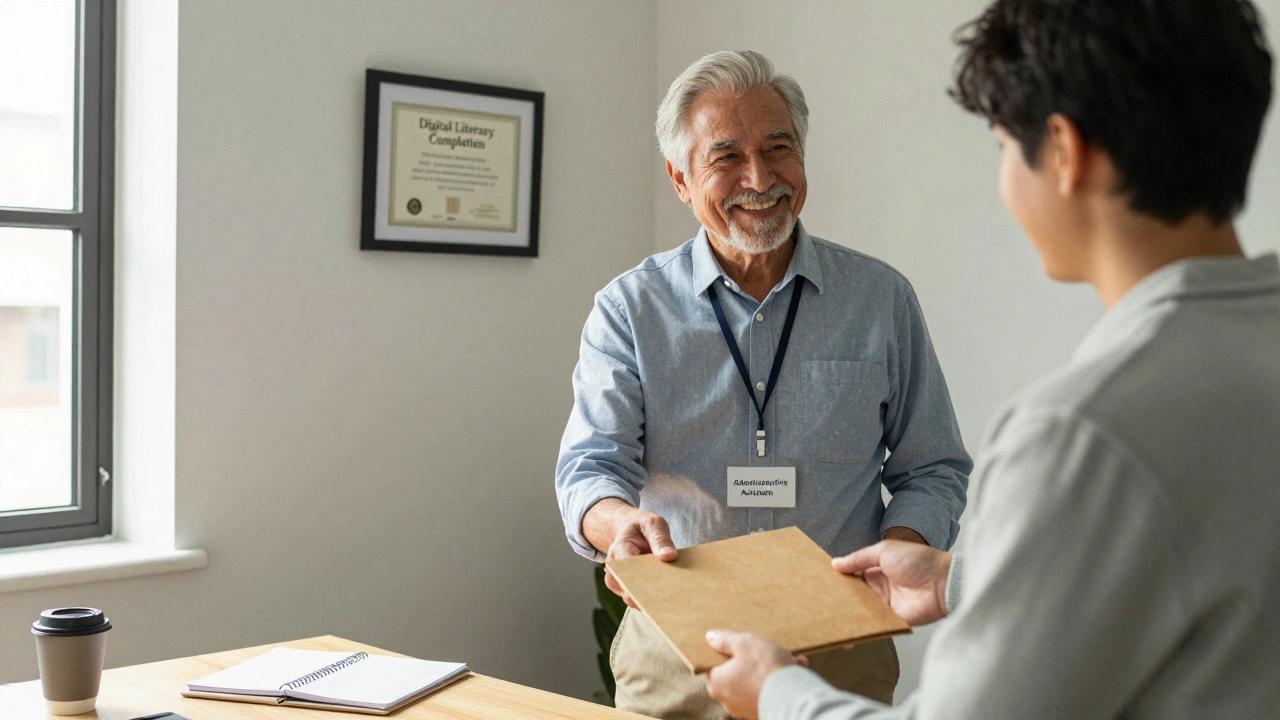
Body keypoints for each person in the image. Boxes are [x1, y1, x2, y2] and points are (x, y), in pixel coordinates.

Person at [702, 1, 1280, 719]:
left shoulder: (1077, 434)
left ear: (1065, 152)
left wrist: (778, 692)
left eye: (1004, 145)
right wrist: (959, 582)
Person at [555, 50, 973, 719]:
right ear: (681, 179)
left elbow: (936, 467)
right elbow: (590, 468)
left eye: (778, 148)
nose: (759, 177)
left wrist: (905, 548)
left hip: (841, 655)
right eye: (726, 157)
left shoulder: (880, 299)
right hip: (676, 659)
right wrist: (618, 524)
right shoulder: (629, 308)